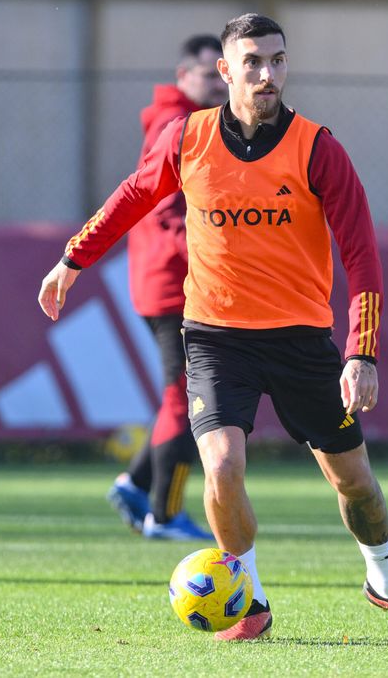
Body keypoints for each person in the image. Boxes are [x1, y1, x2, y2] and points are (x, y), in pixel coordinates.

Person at [39, 13, 388, 640]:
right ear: (225, 71)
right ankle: (251, 601)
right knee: (222, 467)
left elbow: (362, 256)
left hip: (301, 341)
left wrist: (361, 353)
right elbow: (132, 196)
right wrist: (73, 259)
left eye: (278, 61)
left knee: (357, 485)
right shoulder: (189, 136)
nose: (267, 74)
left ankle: (385, 579)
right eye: (253, 62)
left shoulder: (319, 148)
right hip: (214, 337)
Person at [106, 34, 228, 541]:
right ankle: (165, 512)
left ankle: (134, 486)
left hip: (168, 282)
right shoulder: (176, 124)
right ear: (182, 77)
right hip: (173, 285)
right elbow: (170, 212)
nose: (218, 86)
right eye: (206, 74)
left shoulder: (191, 121)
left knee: (179, 396)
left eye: (221, 74)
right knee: (188, 400)